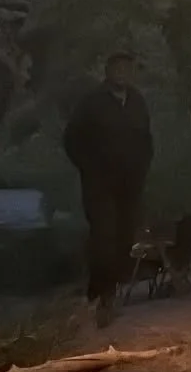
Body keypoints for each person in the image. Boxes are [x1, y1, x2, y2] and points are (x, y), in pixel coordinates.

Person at [63, 52, 154, 326]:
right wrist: (88, 169)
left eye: (127, 69)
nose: (122, 74)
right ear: (108, 72)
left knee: (124, 240)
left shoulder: (137, 102)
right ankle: (103, 297)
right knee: (103, 237)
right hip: (99, 185)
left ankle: (103, 290)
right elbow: (71, 139)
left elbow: (146, 139)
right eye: (117, 69)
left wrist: (143, 167)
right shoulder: (92, 103)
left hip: (130, 185)